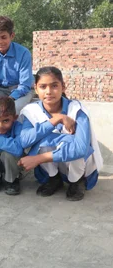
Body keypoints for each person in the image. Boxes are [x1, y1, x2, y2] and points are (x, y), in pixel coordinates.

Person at [18, 66, 103, 201]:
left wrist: (38, 159)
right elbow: (24, 140)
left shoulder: (77, 111)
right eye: (43, 86)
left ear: (63, 87)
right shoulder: (30, 111)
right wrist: (56, 119)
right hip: (54, 165)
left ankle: (76, 181)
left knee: (72, 144)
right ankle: (53, 178)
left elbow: (80, 149)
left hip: (79, 165)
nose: (49, 91)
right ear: (36, 88)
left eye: (54, 86)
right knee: (43, 142)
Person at [0, 16, 33, 120]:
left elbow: (25, 85)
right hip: (0, 89)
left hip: (21, 90)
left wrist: (8, 101)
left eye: (3, 37)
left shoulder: (23, 53)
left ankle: (15, 135)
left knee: (13, 110)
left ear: (12, 36)